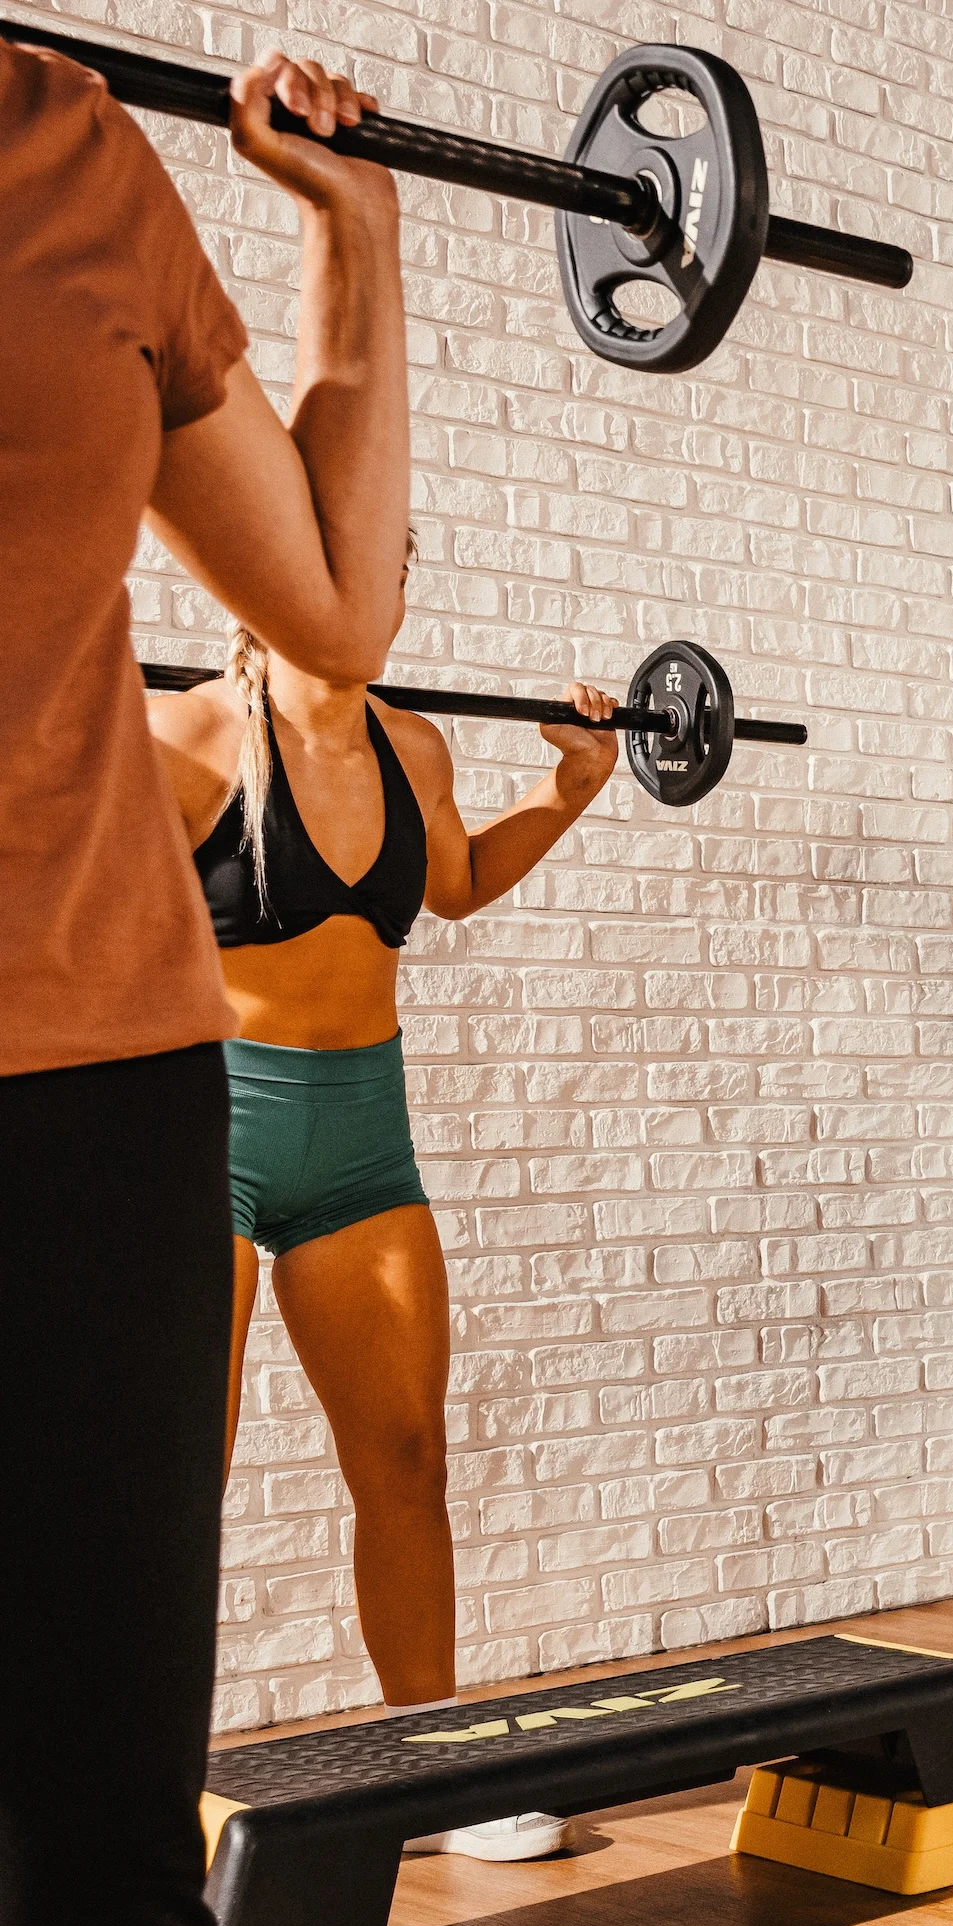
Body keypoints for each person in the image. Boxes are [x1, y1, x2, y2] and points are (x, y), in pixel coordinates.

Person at [1, 34, 408, 1926]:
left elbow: (331, 613)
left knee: (96, 1858)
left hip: (88, 1087)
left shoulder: (63, 140)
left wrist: (354, 249)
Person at [155, 632, 621, 1861]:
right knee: (173, 1483)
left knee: (409, 1456)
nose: (366, 595)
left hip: (365, 1137)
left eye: (386, 571)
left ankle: (438, 1767)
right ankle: (131, 1795)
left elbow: (456, 882)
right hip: (212, 1128)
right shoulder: (196, 736)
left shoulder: (411, 744)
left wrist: (567, 790)